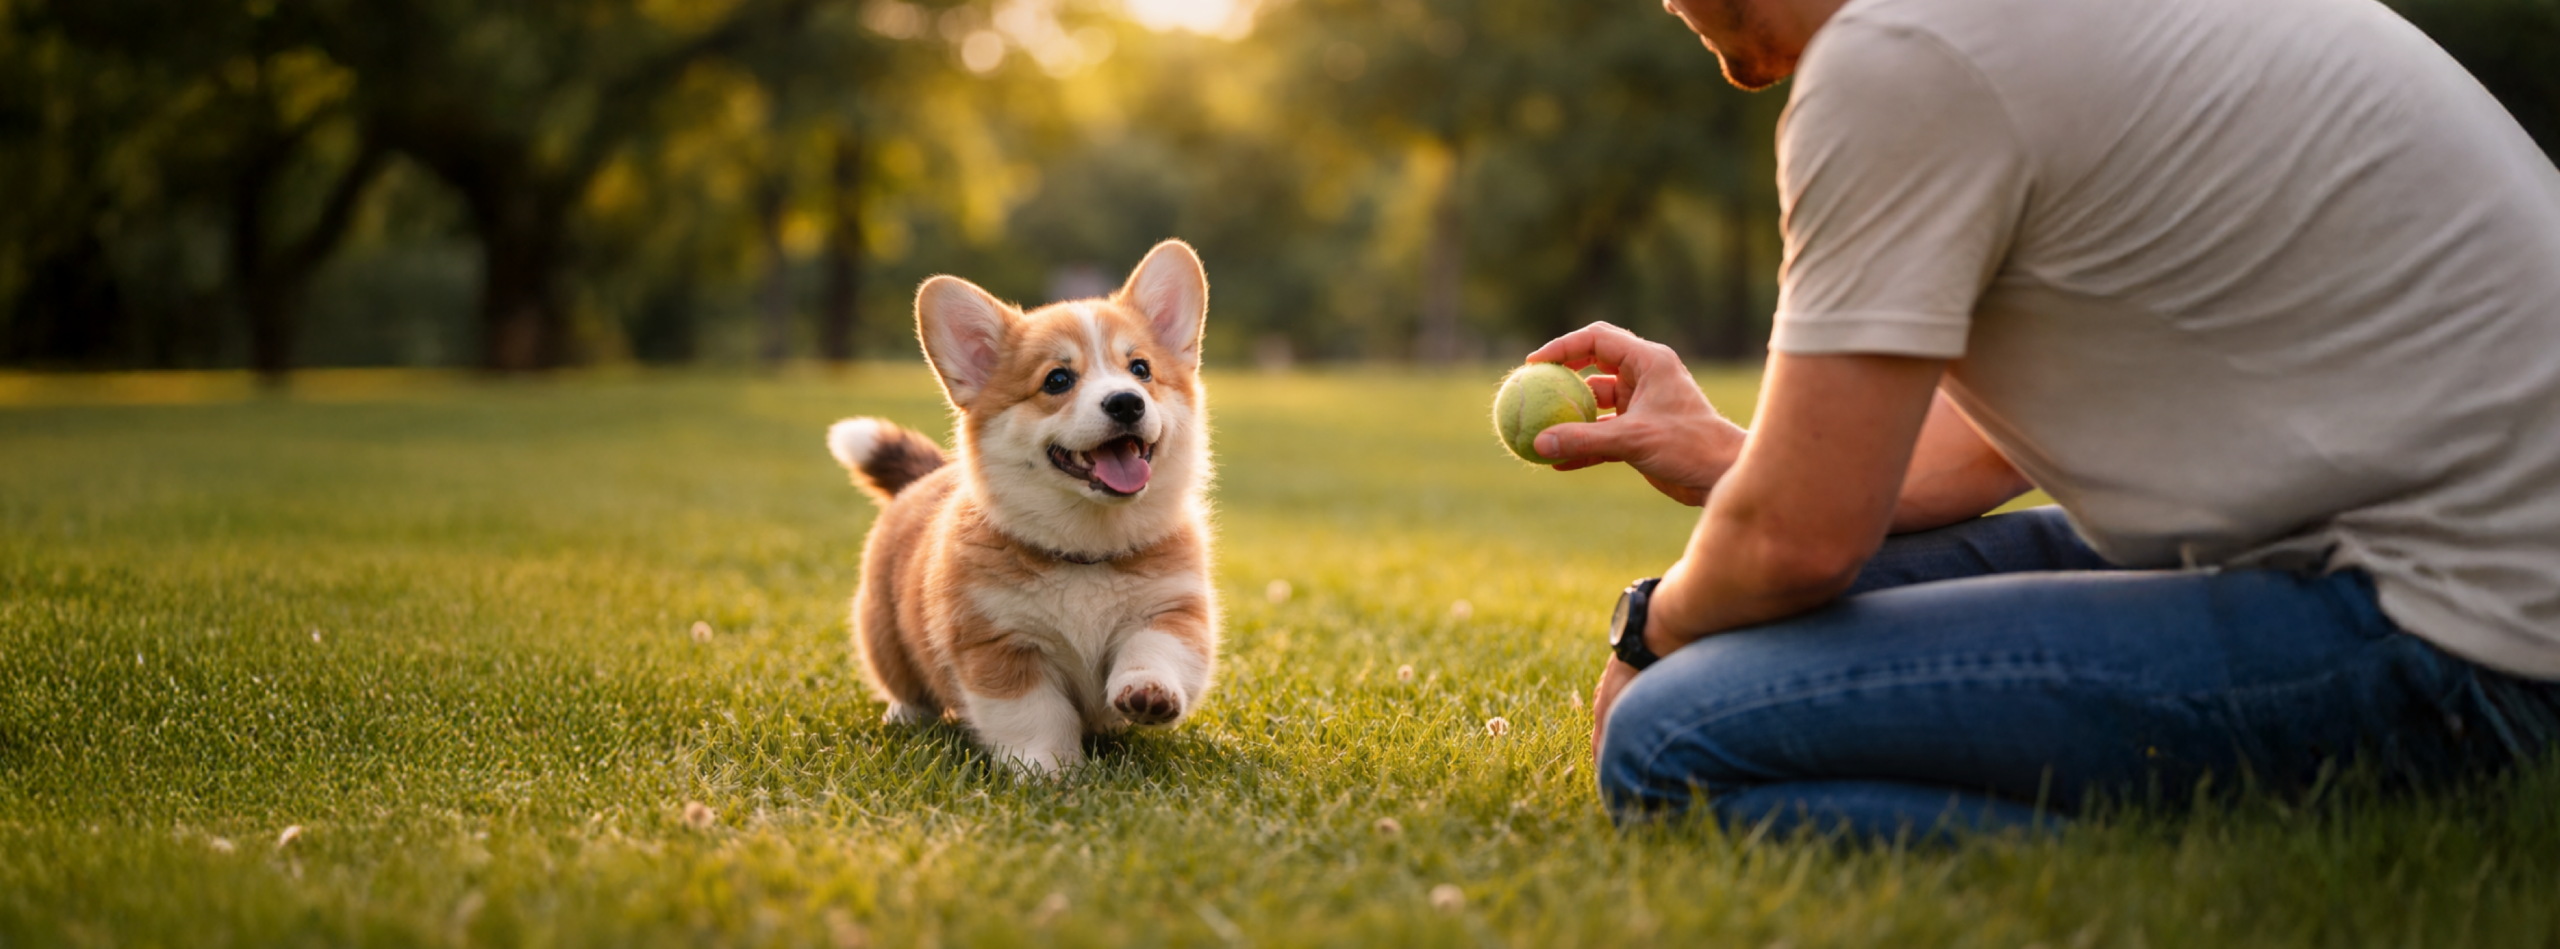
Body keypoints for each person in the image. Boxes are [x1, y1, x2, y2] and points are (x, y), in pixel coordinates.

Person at [1531, 0, 2560, 839]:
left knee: (1670, 739)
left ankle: (2194, 864)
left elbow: (1799, 543)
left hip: (2472, 649)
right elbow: (1981, 450)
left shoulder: (1900, 55)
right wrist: (1734, 460)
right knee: (1734, 632)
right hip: (2437, 573)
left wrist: (1647, 629)